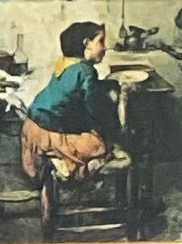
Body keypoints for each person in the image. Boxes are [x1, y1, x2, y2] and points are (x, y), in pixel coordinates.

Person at [19, 19, 133, 188]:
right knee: (100, 145)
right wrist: (112, 130)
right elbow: (94, 108)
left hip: (31, 129)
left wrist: (109, 84)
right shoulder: (86, 71)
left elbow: (78, 89)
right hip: (48, 134)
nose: (104, 47)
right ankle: (63, 165)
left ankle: (58, 163)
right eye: (100, 42)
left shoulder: (65, 64)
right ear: (87, 43)